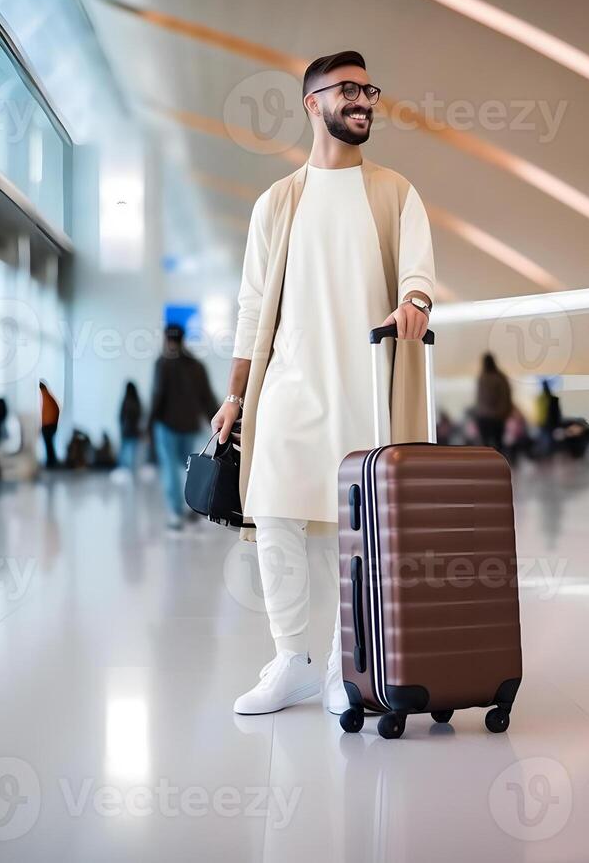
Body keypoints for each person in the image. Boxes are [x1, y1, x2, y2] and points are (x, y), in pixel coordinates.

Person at [210, 50, 435, 716]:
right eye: (348, 91)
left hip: (366, 383)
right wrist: (234, 395)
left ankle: (347, 666)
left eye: (369, 89)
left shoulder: (395, 191)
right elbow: (252, 306)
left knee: (355, 526)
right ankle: (291, 659)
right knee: (273, 511)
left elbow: (418, 272)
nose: (363, 100)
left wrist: (416, 302)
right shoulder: (278, 202)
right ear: (313, 104)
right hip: (286, 388)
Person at [148, 324, 217, 530]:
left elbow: (157, 396)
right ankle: (194, 506)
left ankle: (176, 513)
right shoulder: (197, 365)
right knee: (190, 468)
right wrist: (216, 420)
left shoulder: (162, 363)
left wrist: (149, 423)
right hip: (190, 424)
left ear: (166, 339)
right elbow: (207, 397)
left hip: (167, 425)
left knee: (169, 468)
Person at [475, 353, 514, 455]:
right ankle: (497, 467)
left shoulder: (483, 378)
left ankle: (489, 467)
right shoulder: (499, 378)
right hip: (496, 417)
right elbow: (507, 397)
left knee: (488, 445)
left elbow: (480, 399)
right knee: (497, 445)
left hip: (487, 417)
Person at [118, 381, 143, 473]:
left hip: (127, 432)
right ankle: (129, 472)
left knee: (125, 454)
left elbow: (120, 417)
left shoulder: (126, 401)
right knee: (131, 455)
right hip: (133, 432)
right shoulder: (137, 402)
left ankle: (125, 472)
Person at [39, 381, 61, 469]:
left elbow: (53, 410)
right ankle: (51, 462)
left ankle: (51, 463)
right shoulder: (47, 397)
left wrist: (50, 422)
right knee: (49, 445)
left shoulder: (46, 397)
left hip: (48, 425)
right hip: (50, 425)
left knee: (49, 445)